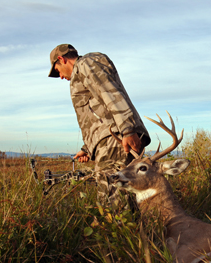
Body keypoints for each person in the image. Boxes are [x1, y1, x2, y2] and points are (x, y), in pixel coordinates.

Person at [48, 44, 150, 205]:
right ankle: (137, 230)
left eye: (57, 70)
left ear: (61, 59)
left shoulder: (85, 64)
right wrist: (88, 148)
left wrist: (128, 130)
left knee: (113, 201)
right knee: (120, 198)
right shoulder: (82, 71)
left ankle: (123, 230)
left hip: (116, 140)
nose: (60, 76)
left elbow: (110, 93)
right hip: (111, 140)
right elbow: (97, 114)